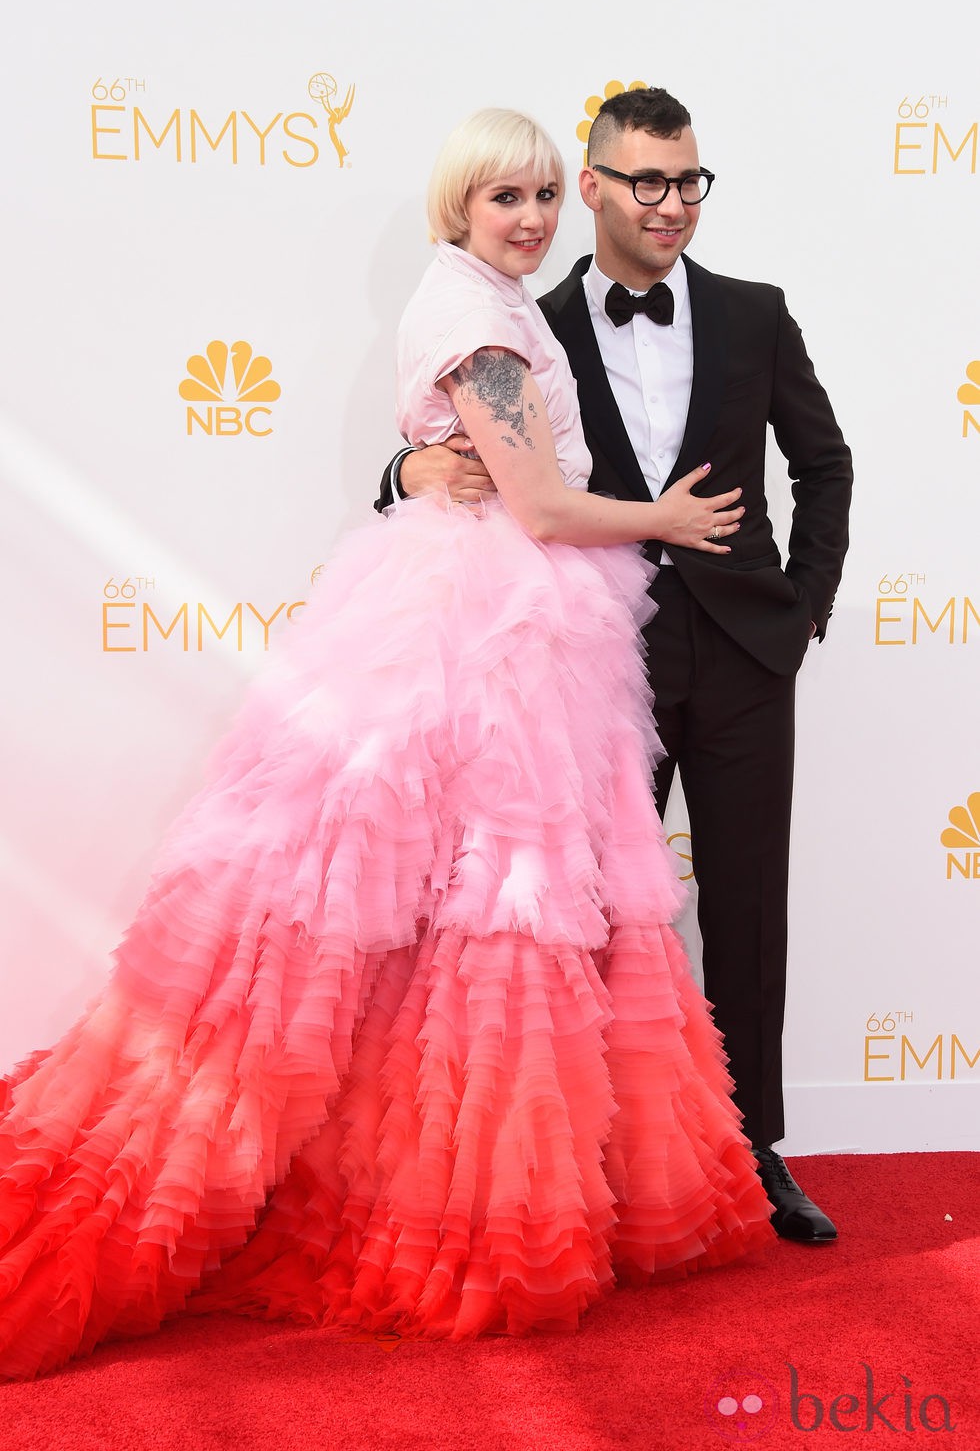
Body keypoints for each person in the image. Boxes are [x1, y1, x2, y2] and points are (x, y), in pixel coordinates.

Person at [0, 108, 773, 1383]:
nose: (526, 218)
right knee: (481, 910)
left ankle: (429, 1190)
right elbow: (535, 500)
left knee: (458, 919)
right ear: (457, 205)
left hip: (498, 603)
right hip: (488, 617)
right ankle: (456, 1213)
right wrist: (666, 518)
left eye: (537, 195)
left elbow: (488, 463)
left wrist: (424, 465)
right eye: (501, 199)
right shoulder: (475, 313)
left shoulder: (485, 300)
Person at [377, 89, 853, 1244]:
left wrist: (802, 609)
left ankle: (754, 1149)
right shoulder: (522, 319)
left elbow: (822, 459)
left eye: (687, 180)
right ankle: (594, 1158)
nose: (670, 203)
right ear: (590, 188)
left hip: (743, 653)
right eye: (644, 181)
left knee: (744, 910)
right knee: (584, 918)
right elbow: (459, 446)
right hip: (596, 662)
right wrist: (404, 472)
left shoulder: (753, 313)